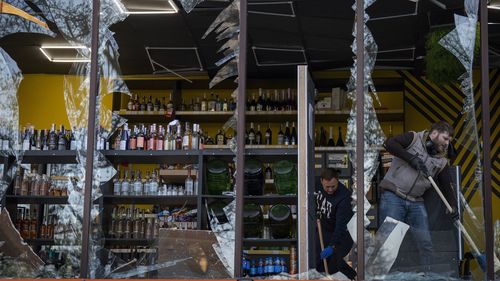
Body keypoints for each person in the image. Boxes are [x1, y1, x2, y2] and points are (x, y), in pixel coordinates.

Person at [379, 121, 459, 273]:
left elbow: (446, 186)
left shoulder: (441, 161)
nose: (448, 144)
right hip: (393, 196)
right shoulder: (413, 138)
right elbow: (388, 143)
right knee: (389, 240)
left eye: (449, 140)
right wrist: (411, 158)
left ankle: (428, 275)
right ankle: (382, 276)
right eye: (445, 138)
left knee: (425, 243)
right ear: (434, 134)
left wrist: (453, 205)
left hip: (416, 201)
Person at [315, 168, 356, 280]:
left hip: (343, 234)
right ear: (321, 181)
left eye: (333, 186)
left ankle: (355, 277)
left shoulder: (344, 197)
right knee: (317, 261)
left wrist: (332, 246)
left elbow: (340, 226)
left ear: (338, 181)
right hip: (324, 228)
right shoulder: (315, 184)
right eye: (327, 187)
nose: (330, 189)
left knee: (336, 263)